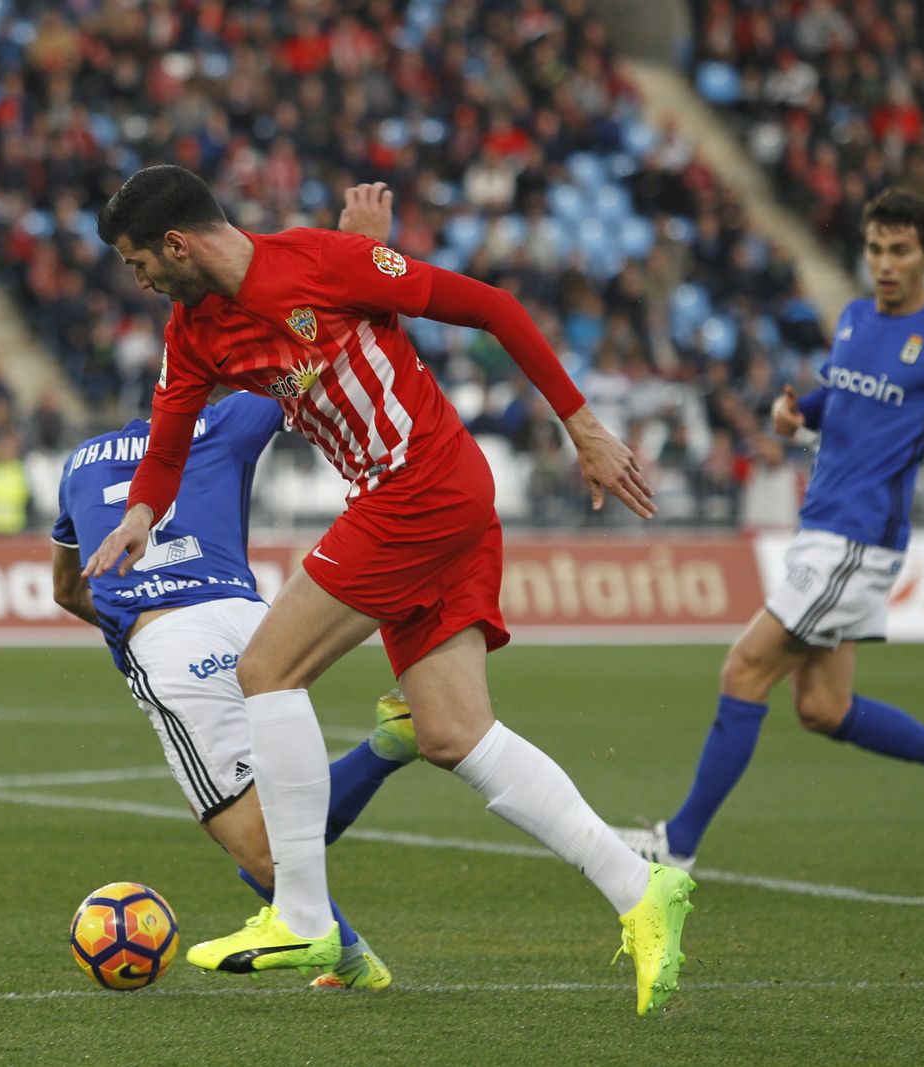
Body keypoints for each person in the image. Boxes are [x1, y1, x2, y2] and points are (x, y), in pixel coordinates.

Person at [84, 166, 694, 1017]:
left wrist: (581, 424)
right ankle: (640, 886)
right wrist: (142, 513)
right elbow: (170, 437)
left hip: (424, 486)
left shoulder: (325, 262)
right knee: (453, 733)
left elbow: (496, 309)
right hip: (414, 500)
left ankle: (300, 915)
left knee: (267, 669)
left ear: (177, 244)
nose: (138, 279)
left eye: (138, 261)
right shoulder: (195, 331)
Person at [614, 189, 924, 871]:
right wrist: (796, 415)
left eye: (900, 250)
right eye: (875, 248)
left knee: (745, 668)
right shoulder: (852, 318)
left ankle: (678, 844)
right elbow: (838, 396)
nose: (885, 263)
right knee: (822, 705)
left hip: (859, 540)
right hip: (823, 532)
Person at [52, 389, 420, 990]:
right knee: (276, 812)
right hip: (258, 627)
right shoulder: (221, 422)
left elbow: (67, 590)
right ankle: (351, 963)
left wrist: (134, 617)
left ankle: (388, 746)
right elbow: (300, 376)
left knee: (262, 846)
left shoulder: (80, 461)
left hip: (172, 646)